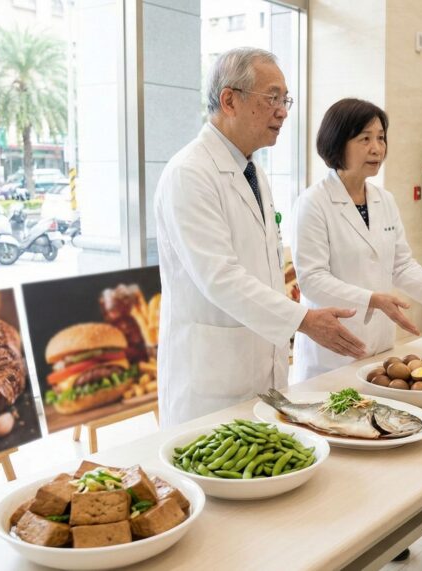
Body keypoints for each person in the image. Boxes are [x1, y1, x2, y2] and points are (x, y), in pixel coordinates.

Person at [154, 48, 366, 426]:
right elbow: (219, 276)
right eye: (272, 98)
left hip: (258, 367)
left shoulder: (253, 172)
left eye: (285, 99)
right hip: (211, 378)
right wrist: (303, 320)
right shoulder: (190, 174)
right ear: (229, 100)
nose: (283, 110)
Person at [291, 98, 422, 382]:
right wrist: (372, 299)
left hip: (380, 349)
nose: (377, 148)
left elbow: (401, 265)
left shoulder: (384, 200)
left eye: (380, 138)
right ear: (337, 141)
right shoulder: (313, 202)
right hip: (331, 353)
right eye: (364, 138)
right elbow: (312, 279)